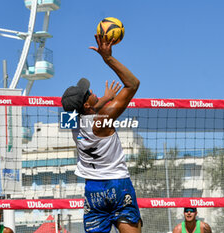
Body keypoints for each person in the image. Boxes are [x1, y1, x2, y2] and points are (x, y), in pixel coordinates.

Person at [61, 34, 142, 233]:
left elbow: (81, 110)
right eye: (88, 93)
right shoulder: (103, 119)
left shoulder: (71, 121)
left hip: (93, 191)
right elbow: (133, 84)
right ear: (87, 104)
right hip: (117, 184)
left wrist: (103, 100)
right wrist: (107, 58)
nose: (91, 91)